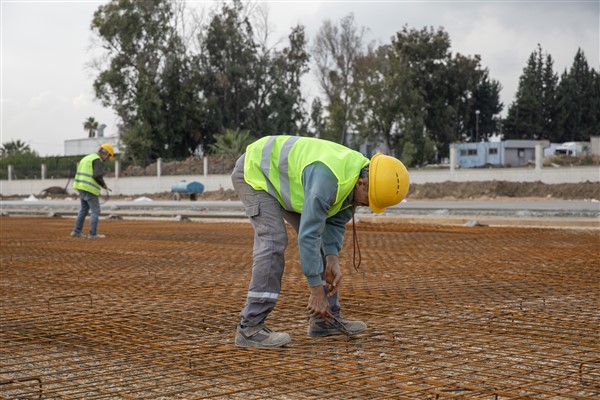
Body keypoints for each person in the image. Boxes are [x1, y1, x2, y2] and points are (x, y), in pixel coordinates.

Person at [231, 135, 410, 348]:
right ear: (361, 184)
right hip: (256, 172)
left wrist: (332, 257)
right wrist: (316, 291)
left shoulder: (360, 175)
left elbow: (332, 224)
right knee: (273, 241)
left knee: (321, 240)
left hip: (290, 179)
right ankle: (250, 326)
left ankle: (324, 319)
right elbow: (309, 236)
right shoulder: (328, 181)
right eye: (369, 201)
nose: (368, 206)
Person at [70, 143, 114, 239]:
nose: (106, 159)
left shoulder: (87, 158)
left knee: (83, 210)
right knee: (95, 210)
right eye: (108, 156)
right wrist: (103, 184)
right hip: (89, 188)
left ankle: (76, 231)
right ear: (106, 153)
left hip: (81, 187)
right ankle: (92, 234)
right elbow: (97, 175)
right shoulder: (97, 160)